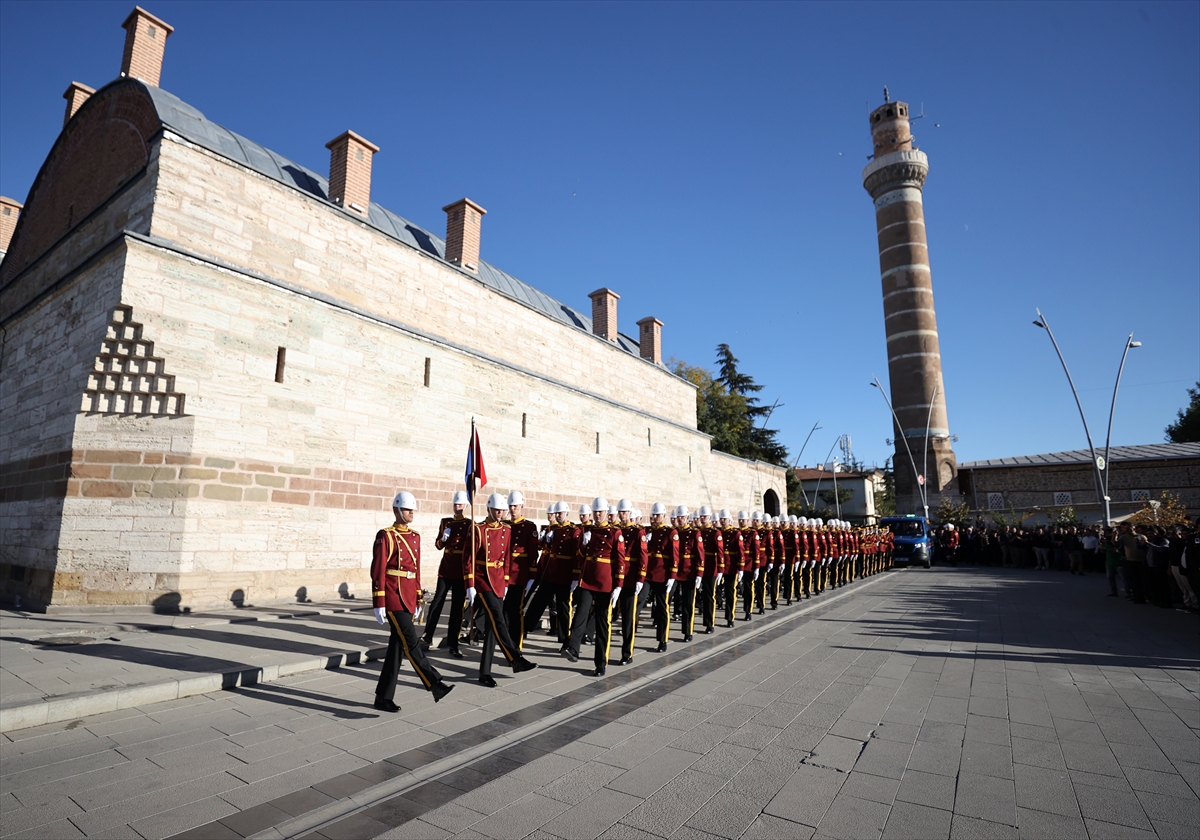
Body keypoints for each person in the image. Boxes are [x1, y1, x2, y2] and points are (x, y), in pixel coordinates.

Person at [371, 491, 454, 712]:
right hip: (392, 595)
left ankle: (383, 697)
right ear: (397, 510)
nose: (411, 513)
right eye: (408, 509)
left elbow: (415, 571)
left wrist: (418, 598)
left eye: (413, 510)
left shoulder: (415, 536)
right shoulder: (386, 536)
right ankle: (435, 684)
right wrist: (379, 601)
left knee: (396, 649)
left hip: (407, 596)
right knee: (411, 642)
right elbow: (378, 570)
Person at [466, 494, 538, 687]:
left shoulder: (507, 529)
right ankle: (515, 658)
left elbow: (506, 558)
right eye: (497, 510)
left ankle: (484, 672)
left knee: (492, 628)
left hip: (498, 581)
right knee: (498, 618)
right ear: (489, 509)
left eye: (502, 510)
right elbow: (468, 559)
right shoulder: (478, 529)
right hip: (483, 579)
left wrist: (505, 582)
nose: (500, 513)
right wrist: (470, 584)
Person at [562, 497, 626, 676]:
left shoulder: (614, 533)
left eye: (600, 512)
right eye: (595, 512)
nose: (598, 515)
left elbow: (620, 560)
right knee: (580, 614)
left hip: (605, 583)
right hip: (588, 580)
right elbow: (580, 556)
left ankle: (601, 663)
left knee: (602, 623)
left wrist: (618, 585)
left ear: (606, 512)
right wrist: (584, 544)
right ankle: (573, 648)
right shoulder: (589, 531)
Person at [422, 490, 471, 657]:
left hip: (460, 570)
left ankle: (453, 643)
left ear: (465, 506)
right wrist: (443, 539)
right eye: (456, 504)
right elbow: (438, 545)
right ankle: (427, 635)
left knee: (457, 607)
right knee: (437, 602)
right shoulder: (446, 522)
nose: (458, 507)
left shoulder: (470, 524)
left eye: (460, 504)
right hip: (446, 567)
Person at [524, 502, 580, 644]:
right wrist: (545, 541)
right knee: (538, 602)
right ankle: (525, 627)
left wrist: (575, 577)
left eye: (560, 513)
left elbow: (576, 556)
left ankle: (566, 639)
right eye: (556, 513)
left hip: (564, 576)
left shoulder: (574, 531)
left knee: (563, 608)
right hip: (550, 574)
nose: (557, 516)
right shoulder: (553, 530)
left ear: (566, 513)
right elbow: (546, 549)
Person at [505, 491, 540, 650]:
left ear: (522, 506)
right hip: (505, 574)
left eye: (516, 506)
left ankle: (516, 645)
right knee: (505, 609)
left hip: (520, 574)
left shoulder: (529, 527)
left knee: (516, 611)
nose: (513, 509)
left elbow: (533, 553)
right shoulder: (505, 525)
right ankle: (506, 642)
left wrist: (532, 575)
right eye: (511, 506)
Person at [644, 502, 678, 652]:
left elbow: (675, 555)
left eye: (657, 515)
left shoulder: (670, 532)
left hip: (662, 574)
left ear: (663, 516)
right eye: (653, 515)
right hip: (648, 574)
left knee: (662, 607)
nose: (655, 518)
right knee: (638, 601)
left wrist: (672, 575)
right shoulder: (648, 531)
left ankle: (662, 639)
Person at [615, 499, 647, 664]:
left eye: (625, 512)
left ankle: (627, 653)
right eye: (620, 512)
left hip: (630, 578)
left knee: (628, 618)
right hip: (615, 578)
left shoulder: (638, 532)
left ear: (630, 513)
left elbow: (643, 556)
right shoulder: (615, 530)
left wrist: (640, 578)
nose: (622, 515)